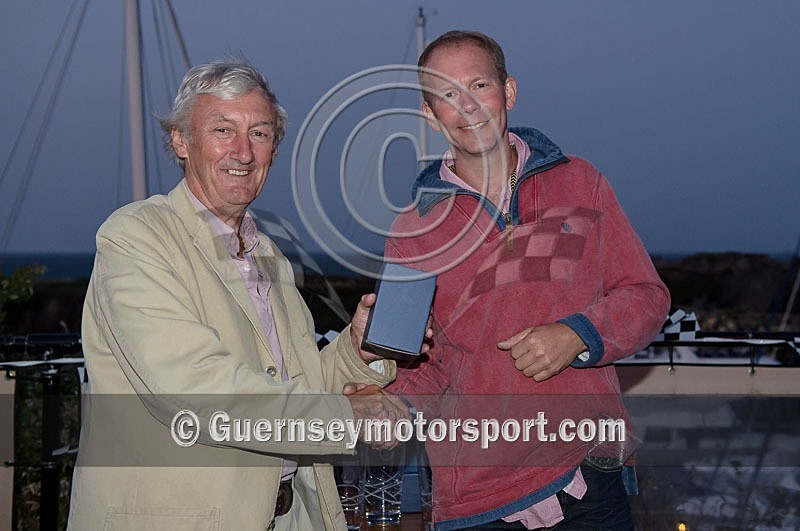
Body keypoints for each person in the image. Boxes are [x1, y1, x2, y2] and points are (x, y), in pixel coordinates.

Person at [67, 57, 405, 531]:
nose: (243, 152)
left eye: (261, 133)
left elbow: (291, 385)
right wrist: (346, 416)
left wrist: (354, 351)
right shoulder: (135, 237)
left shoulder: (268, 254)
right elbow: (193, 389)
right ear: (181, 141)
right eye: (223, 130)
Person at [384, 31, 671, 530]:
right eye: (448, 95)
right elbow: (425, 366)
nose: (467, 105)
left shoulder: (581, 182)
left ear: (509, 92)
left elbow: (646, 297)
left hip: (589, 480)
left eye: (479, 85)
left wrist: (578, 333)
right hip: (478, 497)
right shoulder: (413, 228)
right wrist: (392, 403)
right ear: (430, 115)